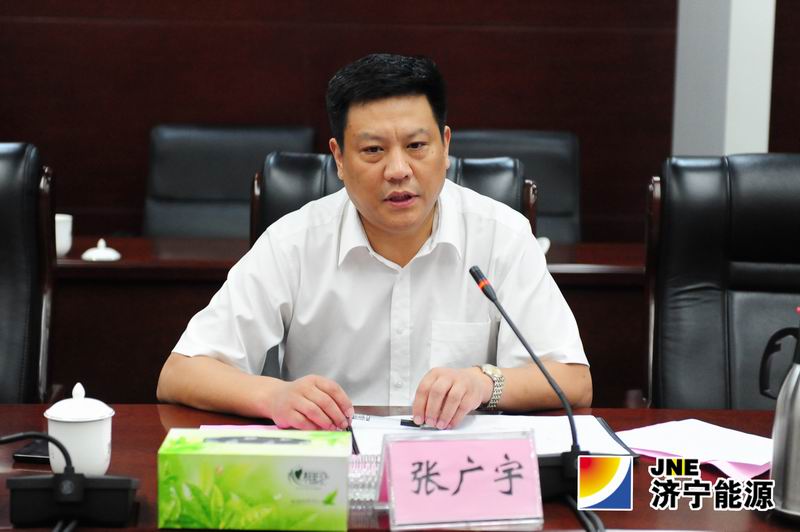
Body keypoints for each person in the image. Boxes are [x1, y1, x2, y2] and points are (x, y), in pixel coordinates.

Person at [157, 53, 591, 430]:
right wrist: (274, 396)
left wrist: (483, 383)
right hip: (331, 473)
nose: (398, 170)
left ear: (445, 145)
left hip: (455, 471)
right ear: (339, 158)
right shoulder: (294, 242)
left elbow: (572, 380)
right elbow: (180, 373)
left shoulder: (503, 236)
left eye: (416, 145)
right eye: (372, 151)